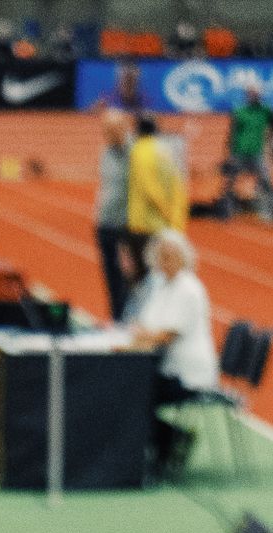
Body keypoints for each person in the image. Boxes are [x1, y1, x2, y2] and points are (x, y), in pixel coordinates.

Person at [129, 228, 218, 477]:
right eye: (160, 256)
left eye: (170, 256)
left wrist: (139, 335)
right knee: (129, 390)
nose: (164, 262)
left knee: (133, 395)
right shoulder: (162, 287)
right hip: (167, 369)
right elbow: (146, 326)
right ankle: (168, 440)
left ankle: (170, 440)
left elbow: (166, 335)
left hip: (188, 374)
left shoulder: (188, 289)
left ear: (183, 258)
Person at [125, 114, 187, 283]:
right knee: (162, 275)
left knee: (142, 277)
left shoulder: (139, 150)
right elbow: (177, 184)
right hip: (164, 225)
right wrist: (174, 219)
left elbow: (148, 186)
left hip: (143, 224)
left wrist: (164, 209)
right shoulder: (166, 151)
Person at [221, 82, 273, 219]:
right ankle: (226, 211)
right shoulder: (239, 111)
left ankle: (271, 212)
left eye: (256, 93)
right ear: (247, 95)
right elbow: (232, 133)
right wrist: (229, 153)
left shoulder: (266, 111)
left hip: (257, 152)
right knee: (230, 182)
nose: (254, 96)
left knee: (266, 181)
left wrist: (269, 139)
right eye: (251, 93)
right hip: (239, 152)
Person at [94, 107, 133, 320]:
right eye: (105, 129)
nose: (106, 134)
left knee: (127, 280)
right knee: (111, 280)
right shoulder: (106, 152)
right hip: (104, 224)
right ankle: (117, 318)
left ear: (124, 128)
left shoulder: (134, 153)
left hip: (125, 227)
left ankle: (127, 320)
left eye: (111, 129)